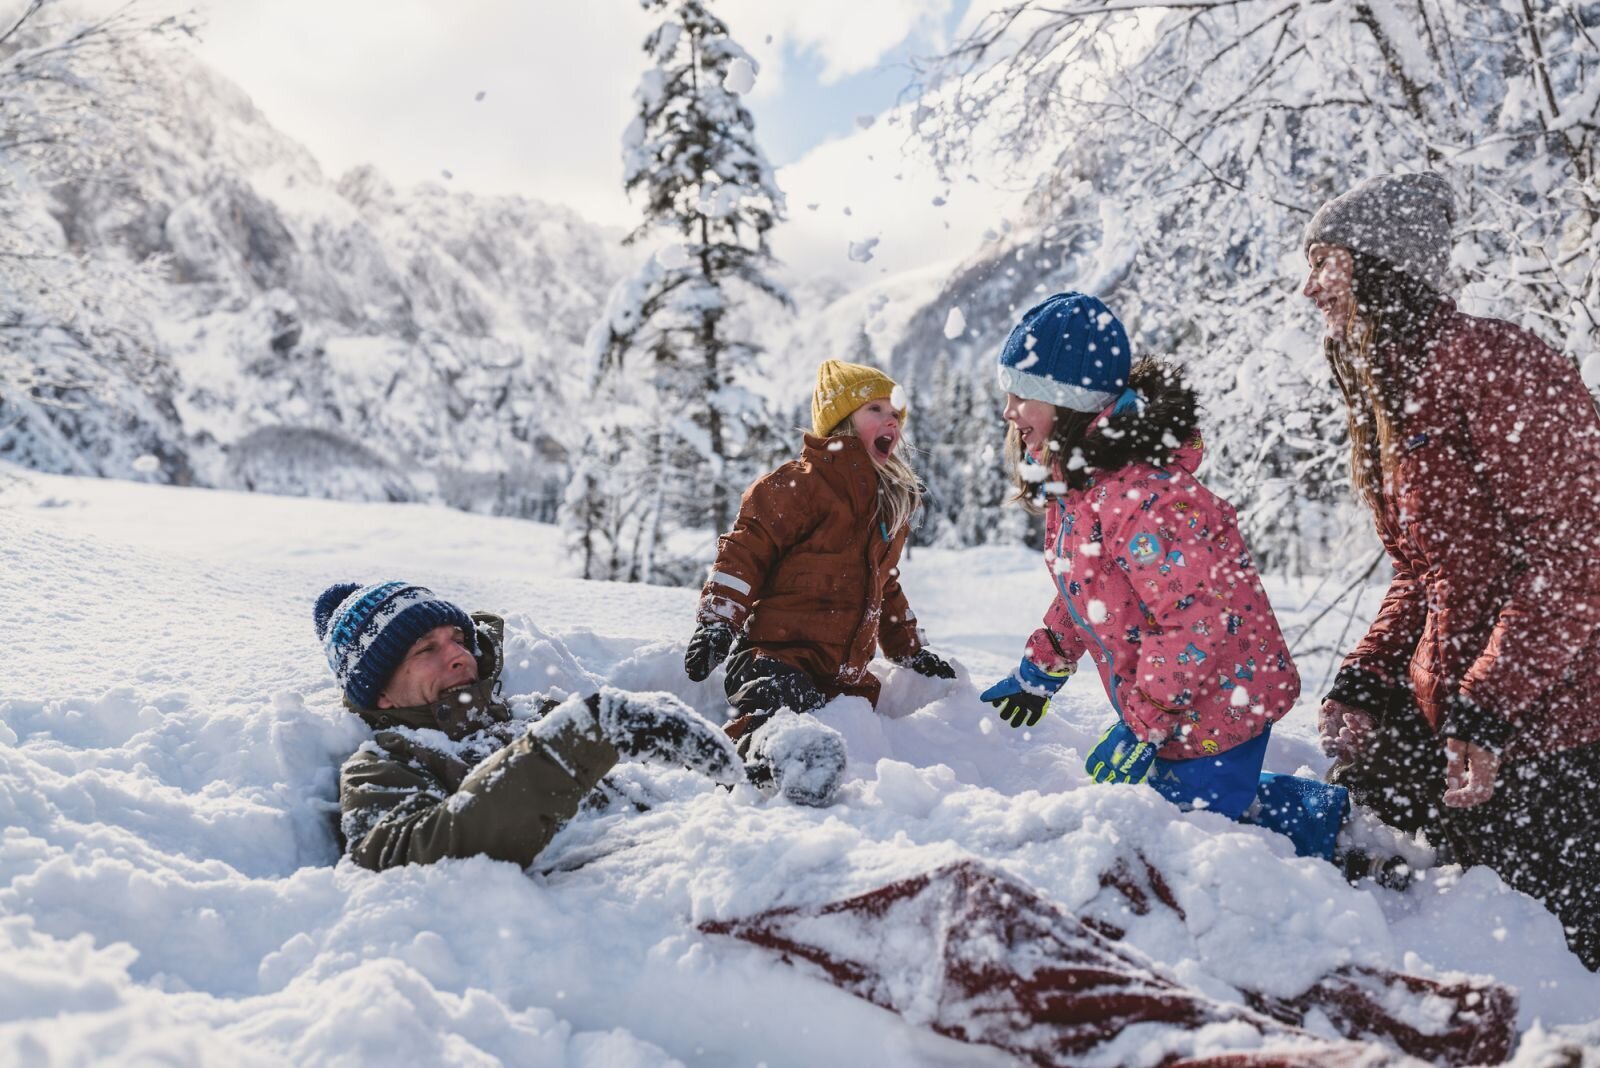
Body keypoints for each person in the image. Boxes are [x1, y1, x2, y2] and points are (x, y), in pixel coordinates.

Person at [1302, 172, 1600, 969]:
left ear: (1376, 266)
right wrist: (1368, 675)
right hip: (1467, 721)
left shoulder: (1497, 366)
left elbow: (1577, 556)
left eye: (1323, 263)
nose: (1308, 290)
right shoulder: (1396, 385)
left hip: (1562, 736)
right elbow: (1426, 573)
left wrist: (1491, 703)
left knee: (1554, 969)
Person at [981, 292, 1346, 861]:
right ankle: (1325, 819)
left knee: (1193, 835)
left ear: (1069, 401)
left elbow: (1196, 620)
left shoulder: (1144, 496)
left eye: (1022, 396)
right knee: (1191, 806)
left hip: (1219, 698)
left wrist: (1144, 723)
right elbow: (1089, 594)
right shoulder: (1082, 490)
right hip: (1176, 699)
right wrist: (1043, 666)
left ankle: (1323, 844)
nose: (1009, 413)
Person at [315, 580, 740, 872]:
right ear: (380, 693)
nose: (460, 656)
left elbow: (669, 791)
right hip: (610, 922)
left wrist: (749, 777)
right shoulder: (384, 764)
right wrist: (578, 739)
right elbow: (403, 859)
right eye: (426, 649)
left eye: (459, 640)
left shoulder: (535, 713)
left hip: (695, 857)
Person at [683, 359, 957, 807]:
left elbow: (884, 585)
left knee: (842, 721)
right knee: (781, 706)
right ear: (841, 421)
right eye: (875, 408)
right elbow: (743, 554)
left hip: (843, 676)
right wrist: (718, 623)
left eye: (895, 413)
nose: (891, 419)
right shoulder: (795, 487)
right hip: (774, 657)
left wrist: (910, 648)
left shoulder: (887, 508)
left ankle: (823, 784)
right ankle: (749, 776)